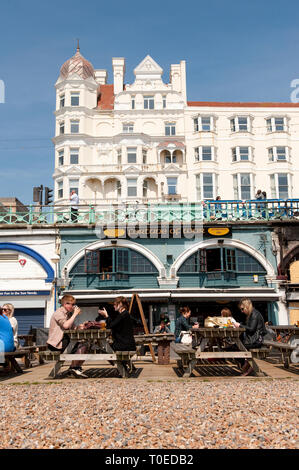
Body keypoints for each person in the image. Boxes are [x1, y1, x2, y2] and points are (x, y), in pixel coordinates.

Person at [47, 295, 89, 378]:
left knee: (86, 344)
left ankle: (74, 368)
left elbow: (73, 328)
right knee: (82, 346)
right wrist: (75, 314)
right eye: (72, 304)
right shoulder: (59, 313)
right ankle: (74, 368)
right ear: (65, 304)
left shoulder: (67, 314)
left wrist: (81, 326)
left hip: (64, 341)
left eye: (74, 304)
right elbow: (66, 326)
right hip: (56, 343)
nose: (73, 306)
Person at [98, 296, 136, 375]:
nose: (114, 306)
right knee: (107, 347)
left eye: (115, 304)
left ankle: (121, 367)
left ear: (121, 304)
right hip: (128, 344)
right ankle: (123, 365)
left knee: (103, 349)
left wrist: (106, 315)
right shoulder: (125, 314)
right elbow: (114, 325)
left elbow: (110, 326)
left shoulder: (123, 315)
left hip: (124, 345)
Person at [233, 298, 267, 376]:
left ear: (247, 306)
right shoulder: (252, 314)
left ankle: (246, 366)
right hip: (253, 340)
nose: (242, 311)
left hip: (256, 341)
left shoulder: (254, 314)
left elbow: (251, 329)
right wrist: (241, 324)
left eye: (242, 309)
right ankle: (246, 365)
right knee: (235, 347)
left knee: (236, 347)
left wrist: (240, 325)